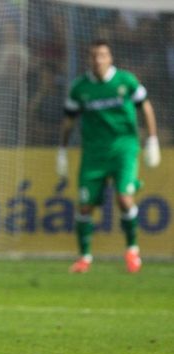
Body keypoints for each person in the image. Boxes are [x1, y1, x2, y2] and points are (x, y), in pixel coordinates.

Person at [57, 40, 159, 274]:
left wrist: (152, 139)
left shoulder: (126, 81)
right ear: (89, 59)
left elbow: (146, 106)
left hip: (124, 148)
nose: (98, 60)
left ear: (110, 58)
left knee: (124, 198)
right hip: (93, 153)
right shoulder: (80, 87)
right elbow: (69, 119)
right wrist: (61, 151)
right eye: (94, 56)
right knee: (84, 206)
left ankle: (132, 250)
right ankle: (84, 257)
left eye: (103, 55)